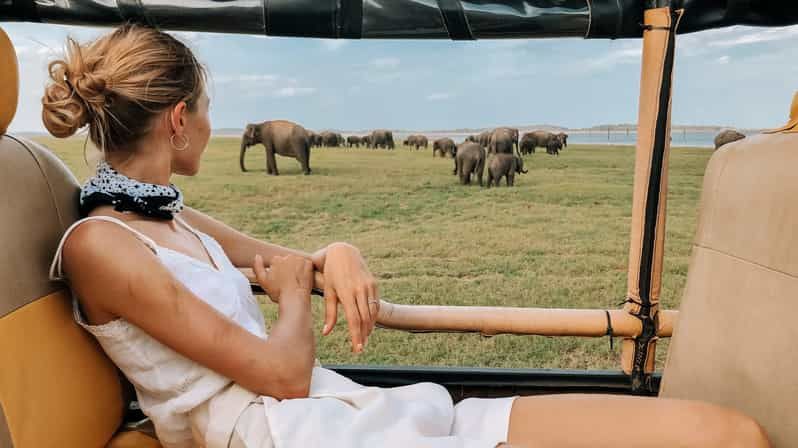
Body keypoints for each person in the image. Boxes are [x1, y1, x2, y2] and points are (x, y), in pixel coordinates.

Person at [43, 24, 771, 448]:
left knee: (725, 433)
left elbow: (288, 261)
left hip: (334, 416)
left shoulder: (165, 214)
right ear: (178, 121)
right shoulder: (98, 245)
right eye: (206, 111)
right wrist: (295, 293)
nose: (211, 125)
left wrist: (340, 251)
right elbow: (281, 373)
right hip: (289, 433)